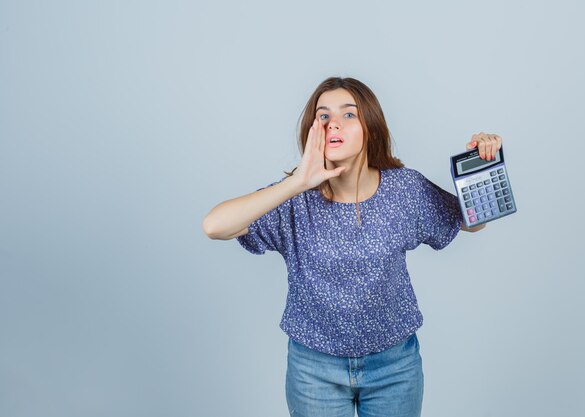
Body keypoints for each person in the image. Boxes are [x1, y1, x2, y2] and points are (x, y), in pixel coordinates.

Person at [203, 77, 502, 417]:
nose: (334, 123)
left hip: (395, 367)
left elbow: (470, 222)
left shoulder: (404, 191)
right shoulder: (293, 199)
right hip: (314, 370)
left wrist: (484, 165)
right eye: (323, 115)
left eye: (349, 114)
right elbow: (215, 226)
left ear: (370, 128)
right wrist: (298, 181)